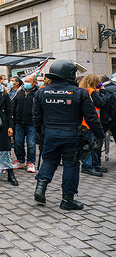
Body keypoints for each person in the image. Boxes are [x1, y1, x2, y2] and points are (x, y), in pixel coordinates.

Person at [33, 60, 105, 210]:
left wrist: (40, 133)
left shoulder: (41, 91)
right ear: (70, 74)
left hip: (50, 134)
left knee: (49, 161)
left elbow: (36, 116)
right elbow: (91, 117)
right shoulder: (80, 92)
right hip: (72, 135)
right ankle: (67, 200)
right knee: (71, 165)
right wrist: (99, 135)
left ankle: (40, 187)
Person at [78, 74, 105, 176]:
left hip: (88, 123)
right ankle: (88, 166)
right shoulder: (90, 92)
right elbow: (101, 103)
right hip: (88, 124)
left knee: (91, 146)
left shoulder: (84, 91)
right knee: (89, 146)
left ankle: (94, 164)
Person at [12, 75, 38, 173]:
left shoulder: (37, 93)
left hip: (32, 122)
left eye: (29, 81)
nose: (26, 83)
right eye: (25, 81)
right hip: (19, 122)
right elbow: (14, 106)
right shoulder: (19, 92)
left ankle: (31, 162)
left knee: (31, 144)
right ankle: (20, 160)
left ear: (34, 82)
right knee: (18, 142)